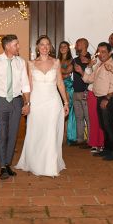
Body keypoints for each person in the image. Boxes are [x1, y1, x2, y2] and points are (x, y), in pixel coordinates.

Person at [16, 36, 68, 177]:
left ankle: (50, 165)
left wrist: (66, 102)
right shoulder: (31, 63)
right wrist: (27, 103)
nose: (45, 47)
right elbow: (29, 86)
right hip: (37, 101)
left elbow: (60, 84)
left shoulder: (56, 62)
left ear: (50, 47)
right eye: (42, 44)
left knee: (51, 132)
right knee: (37, 131)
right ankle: (35, 162)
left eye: (47, 44)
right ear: (37, 47)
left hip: (53, 101)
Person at [0, 34, 31, 180]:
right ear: (7, 46)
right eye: (16, 45)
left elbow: (25, 84)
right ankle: (2, 167)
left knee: (13, 135)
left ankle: (8, 163)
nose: (18, 47)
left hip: (17, 101)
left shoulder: (21, 62)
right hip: (0, 100)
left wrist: (27, 103)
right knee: (2, 134)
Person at [82, 42, 113, 161]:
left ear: (110, 52)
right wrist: (81, 71)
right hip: (99, 97)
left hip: (107, 98)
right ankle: (107, 149)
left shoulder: (112, 64)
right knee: (103, 125)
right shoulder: (99, 65)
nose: (101, 54)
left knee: (109, 124)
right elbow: (90, 79)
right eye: (99, 52)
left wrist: (107, 99)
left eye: (104, 52)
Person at [71, 39, 91, 147]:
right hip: (76, 91)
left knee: (88, 117)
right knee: (79, 117)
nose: (76, 45)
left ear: (85, 45)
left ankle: (90, 141)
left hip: (85, 91)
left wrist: (88, 63)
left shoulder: (91, 58)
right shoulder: (75, 59)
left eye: (78, 43)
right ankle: (80, 139)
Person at [57, 41, 76, 145]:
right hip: (57, 87)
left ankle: (68, 135)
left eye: (65, 46)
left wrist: (59, 72)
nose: (63, 48)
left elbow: (68, 71)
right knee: (58, 111)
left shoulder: (71, 60)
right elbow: (63, 73)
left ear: (68, 48)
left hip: (68, 87)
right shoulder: (57, 60)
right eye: (61, 46)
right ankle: (59, 135)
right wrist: (62, 73)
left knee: (68, 111)